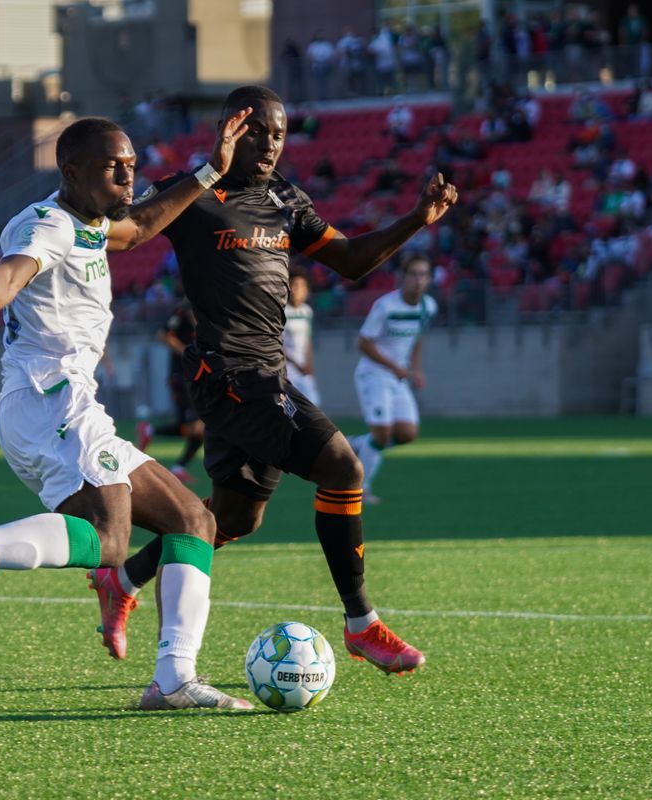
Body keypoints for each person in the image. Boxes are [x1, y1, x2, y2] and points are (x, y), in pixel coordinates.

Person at [0, 110, 258, 712]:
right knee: (111, 540)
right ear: (72, 171)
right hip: (49, 397)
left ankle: (171, 681)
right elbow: (11, 271)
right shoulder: (48, 225)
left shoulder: (92, 221)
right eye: (114, 168)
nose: (128, 178)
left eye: (132, 166)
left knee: (194, 521)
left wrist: (213, 169)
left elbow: (138, 229)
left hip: (64, 403)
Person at [92, 85, 458, 676]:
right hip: (230, 375)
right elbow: (124, 228)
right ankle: (362, 625)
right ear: (228, 129)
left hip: (268, 372)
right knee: (343, 466)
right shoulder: (193, 192)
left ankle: (125, 577)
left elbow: (349, 259)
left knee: (231, 520)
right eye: (256, 130)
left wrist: (416, 220)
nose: (269, 144)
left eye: (279, 133)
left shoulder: (286, 197)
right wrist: (205, 170)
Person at [347, 258, 437, 505]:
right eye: (414, 274)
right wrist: (393, 366)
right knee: (382, 436)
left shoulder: (428, 306)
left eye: (424, 274)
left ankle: (356, 444)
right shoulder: (385, 306)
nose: (419, 280)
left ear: (429, 279)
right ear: (403, 277)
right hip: (373, 375)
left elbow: (418, 339)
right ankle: (361, 488)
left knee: (407, 434)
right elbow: (363, 343)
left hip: (398, 377)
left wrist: (416, 370)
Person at [136, 298, 205, 483]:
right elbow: (163, 334)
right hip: (180, 376)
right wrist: (186, 352)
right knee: (198, 427)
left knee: (199, 428)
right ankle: (177, 464)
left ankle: (151, 432)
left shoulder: (209, 308)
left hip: (197, 376)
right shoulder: (182, 311)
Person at [284, 269, 320, 407]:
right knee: (290, 407)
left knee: (313, 405)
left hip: (304, 368)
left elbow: (307, 340)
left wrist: (309, 365)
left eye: (301, 286)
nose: (296, 289)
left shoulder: (307, 311)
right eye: (293, 285)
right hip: (288, 369)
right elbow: (277, 344)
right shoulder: (281, 311)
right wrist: (296, 364)